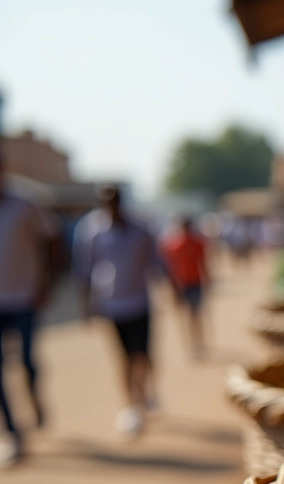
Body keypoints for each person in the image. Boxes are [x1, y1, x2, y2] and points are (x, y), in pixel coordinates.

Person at [73, 185, 160, 437]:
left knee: (141, 355)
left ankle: (143, 392)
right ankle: (131, 405)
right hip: (112, 304)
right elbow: (84, 269)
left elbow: (154, 262)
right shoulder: (91, 230)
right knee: (123, 357)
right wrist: (86, 304)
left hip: (139, 302)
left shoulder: (139, 230)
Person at [0, 150, 59, 462]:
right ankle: (12, 431)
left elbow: (50, 242)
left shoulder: (26, 204)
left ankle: (34, 396)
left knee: (26, 361)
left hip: (23, 297)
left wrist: (45, 283)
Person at [158, 215, 208, 359]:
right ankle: (189, 344)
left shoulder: (197, 243)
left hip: (196, 282)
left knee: (195, 314)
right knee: (185, 316)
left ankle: (199, 342)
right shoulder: (174, 245)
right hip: (181, 285)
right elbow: (169, 268)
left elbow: (202, 262)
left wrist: (207, 279)